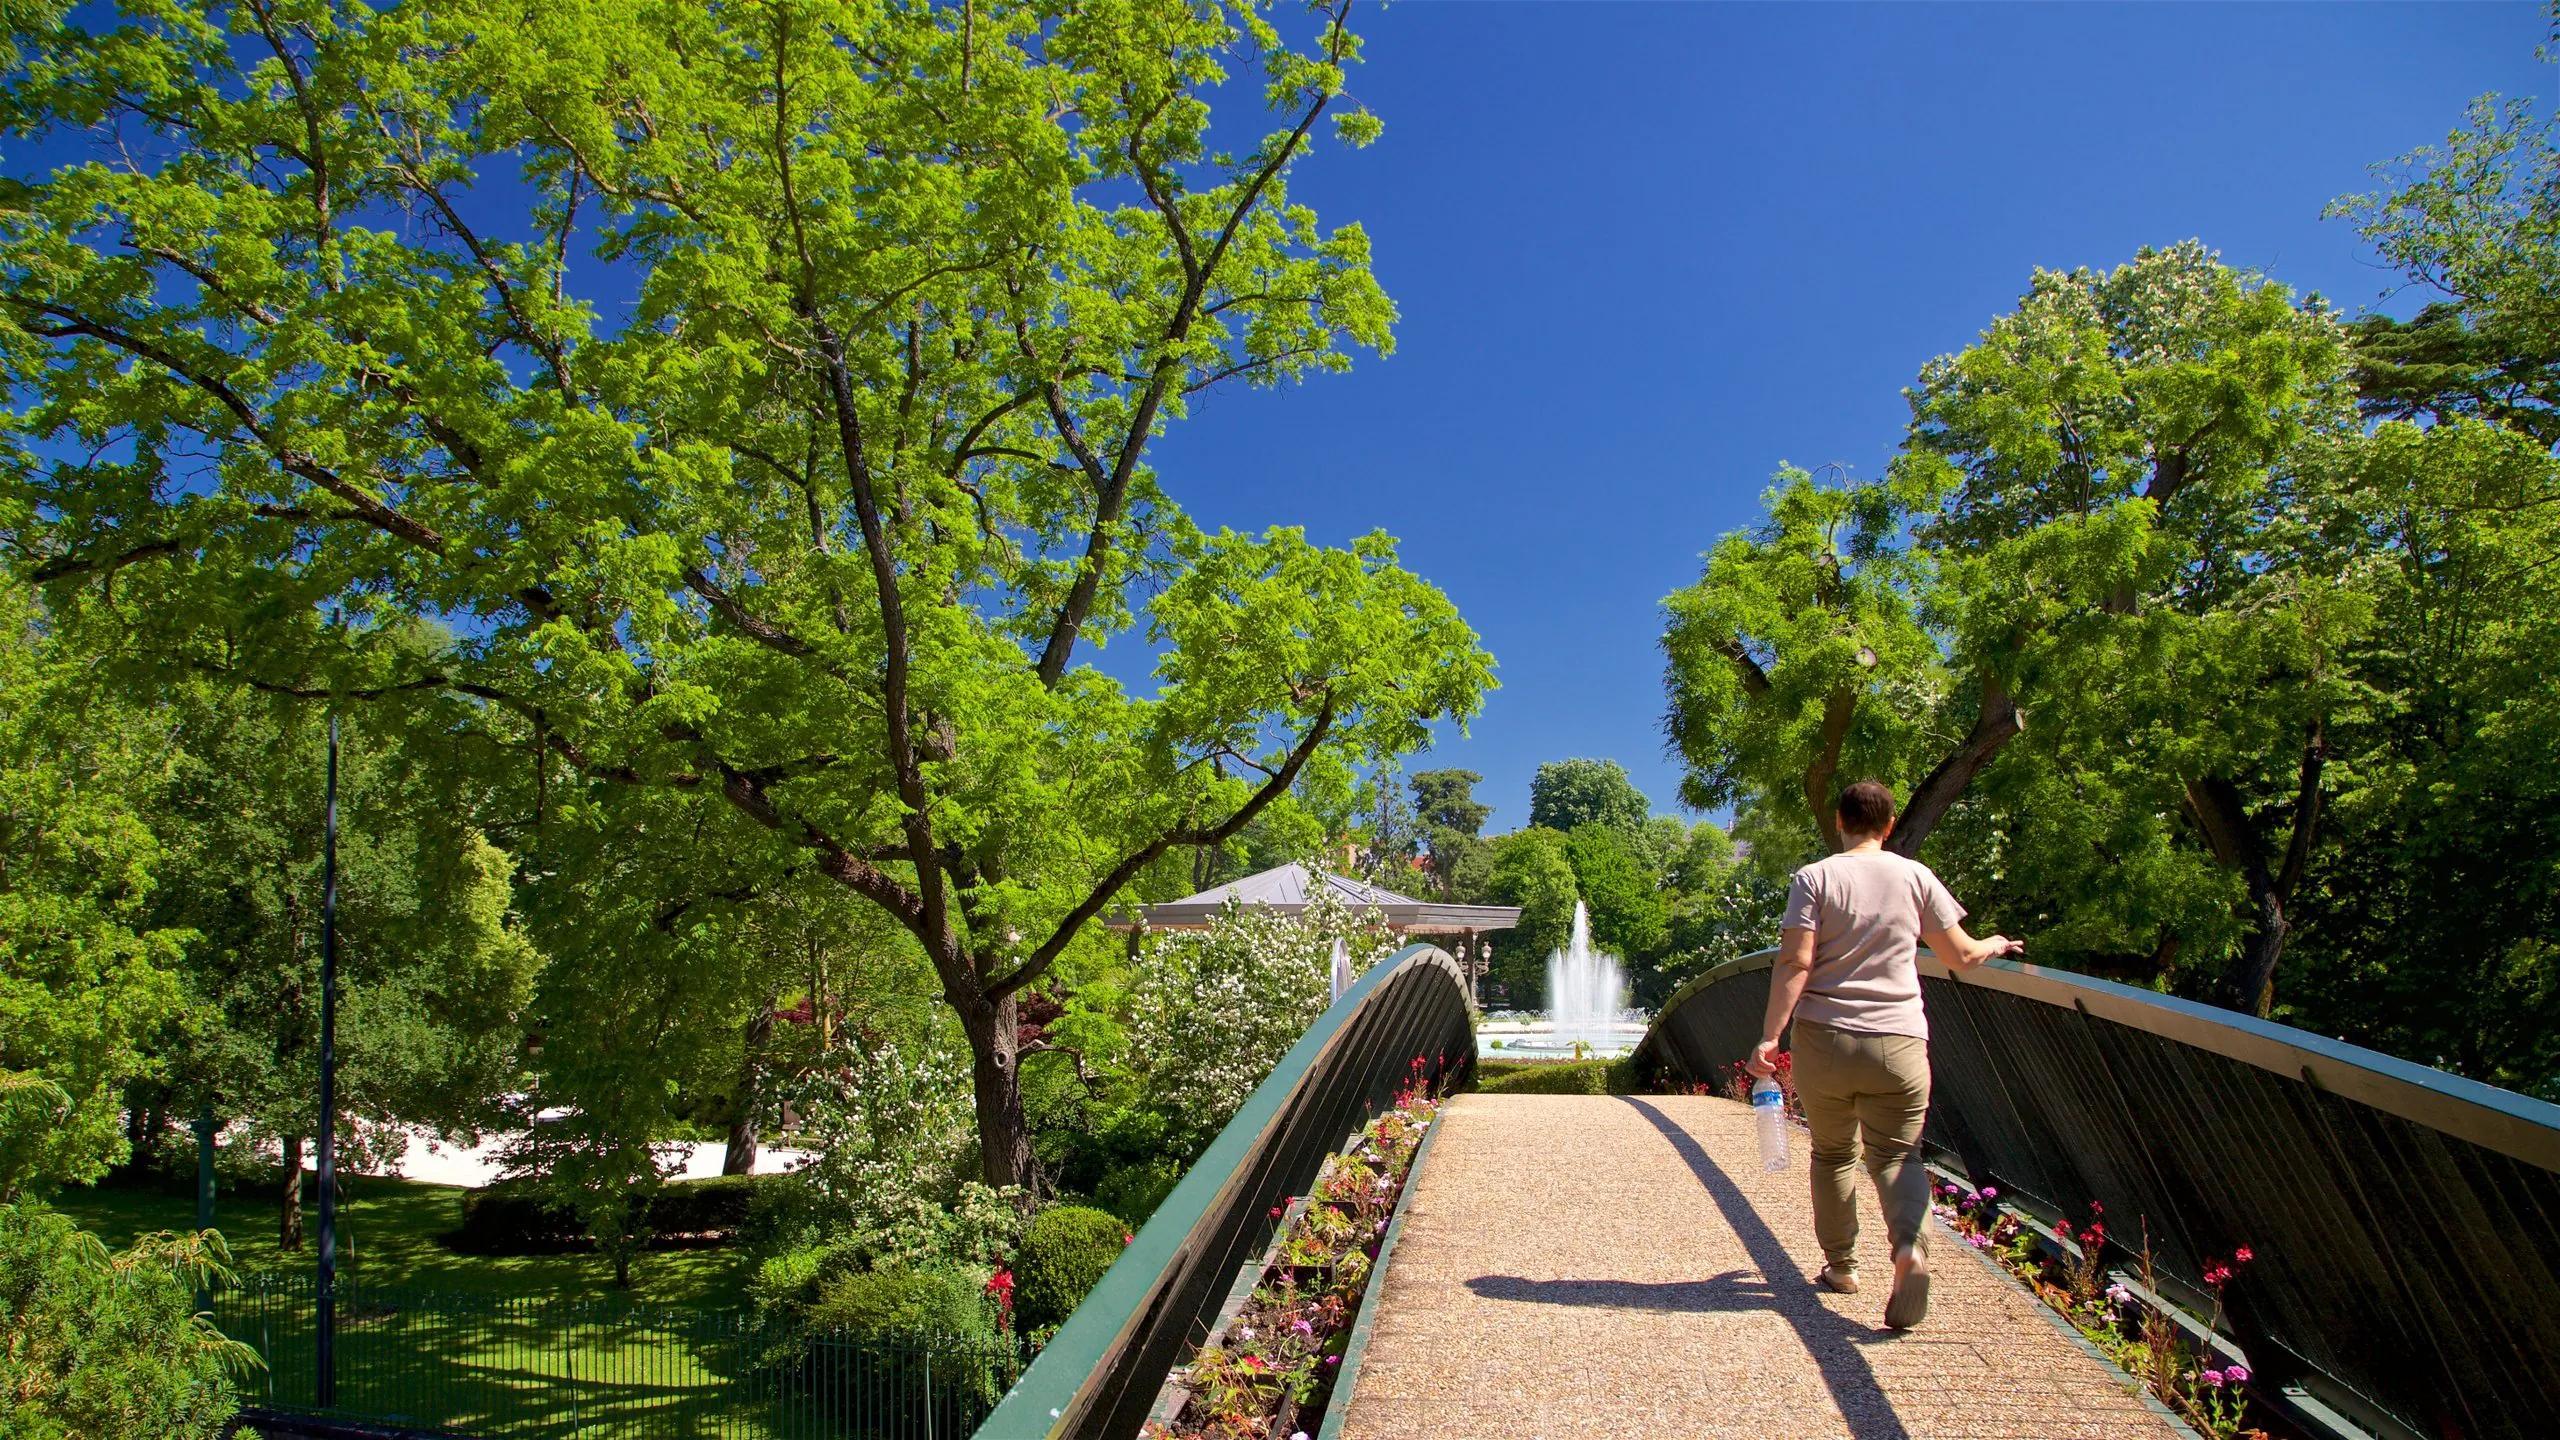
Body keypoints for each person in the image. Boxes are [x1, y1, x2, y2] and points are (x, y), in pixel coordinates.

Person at [1744, 779, 2022, 1330]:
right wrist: (1994, 944)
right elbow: (1961, 955)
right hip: (1899, 1041)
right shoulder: (1915, 877)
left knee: (1832, 1154)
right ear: (1890, 825)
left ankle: (1842, 1267)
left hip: (1825, 1039)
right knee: (1898, 1158)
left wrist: (1770, 1036)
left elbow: (1795, 962)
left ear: (1840, 822)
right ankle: (1909, 1250)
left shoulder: (1815, 877)